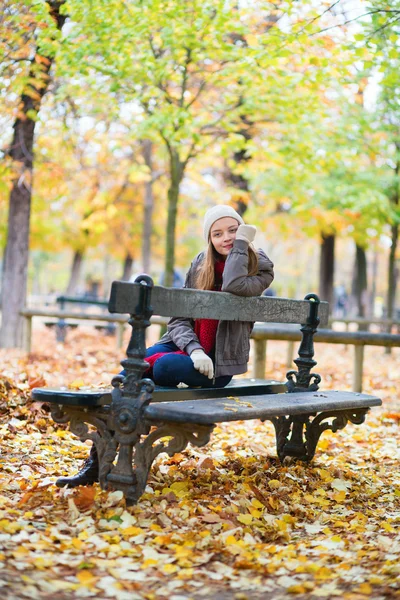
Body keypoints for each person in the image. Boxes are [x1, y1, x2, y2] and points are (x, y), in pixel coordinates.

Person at [56, 205, 274, 488]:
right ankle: (97, 462)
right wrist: (194, 350)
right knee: (131, 373)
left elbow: (233, 284)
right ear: (209, 238)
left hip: (218, 365)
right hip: (190, 350)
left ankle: (112, 457)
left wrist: (242, 245)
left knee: (162, 366)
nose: (226, 238)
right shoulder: (200, 264)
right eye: (217, 233)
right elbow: (179, 318)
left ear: (243, 232)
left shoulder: (260, 267)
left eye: (233, 230)